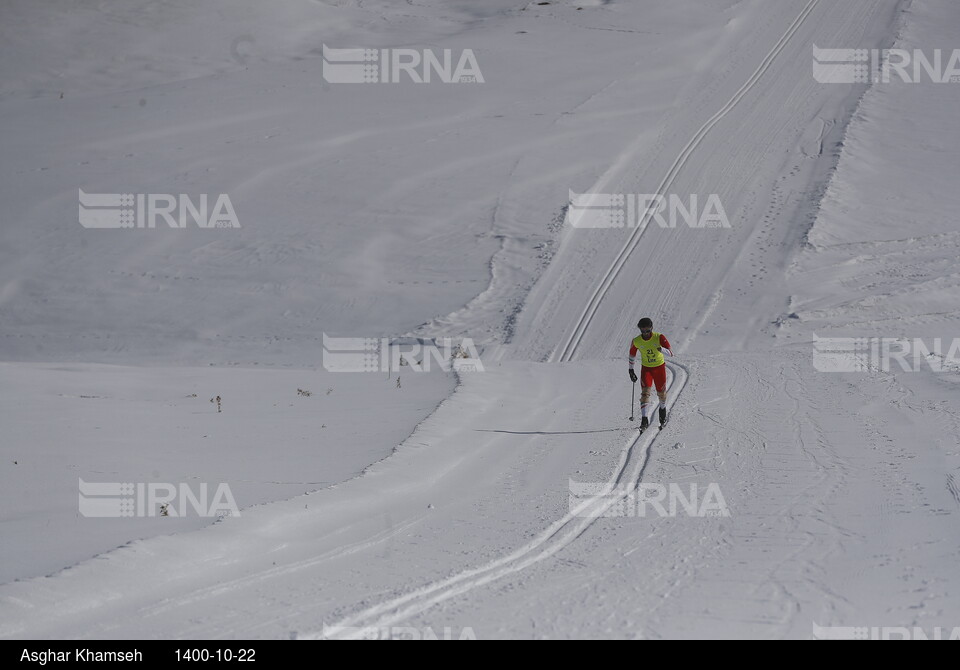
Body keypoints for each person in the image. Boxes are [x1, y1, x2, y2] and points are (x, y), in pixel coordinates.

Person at [628, 317, 673, 429]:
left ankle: (662, 409)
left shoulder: (659, 337)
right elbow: (632, 355)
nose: (645, 333)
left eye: (647, 331)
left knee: (661, 393)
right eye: (643, 331)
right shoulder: (636, 341)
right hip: (646, 369)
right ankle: (644, 419)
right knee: (645, 393)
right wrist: (631, 370)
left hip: (659, 368)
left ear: (652, 328)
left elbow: (671, 353)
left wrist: (661, 349)